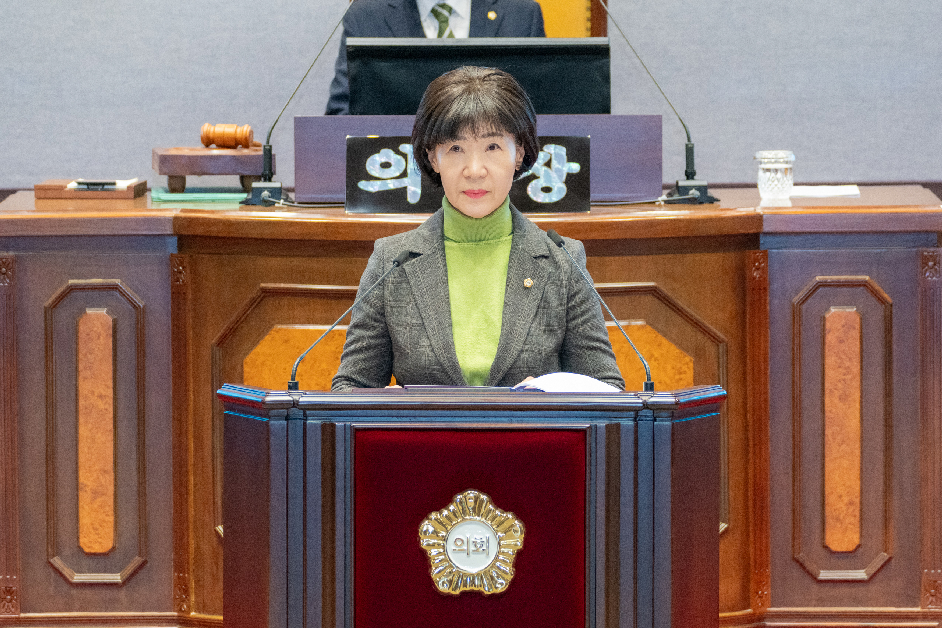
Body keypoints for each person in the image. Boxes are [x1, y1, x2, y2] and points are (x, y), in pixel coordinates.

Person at [332, 66, 624, 391]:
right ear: (432, 157)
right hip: (425, 442)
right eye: (456, 149)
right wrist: (387, 408)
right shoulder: (391, 261)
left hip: (529, 441)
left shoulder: (562, 260)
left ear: (520, 153)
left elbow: (606, 390)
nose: (474, 170)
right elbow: (349, 389)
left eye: (492, 147)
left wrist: (549, 398)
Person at [325, 0, 546, 115]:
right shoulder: (366, 16)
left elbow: (544, 113)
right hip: (394, 176)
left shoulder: (522, 14)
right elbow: (341, 112)